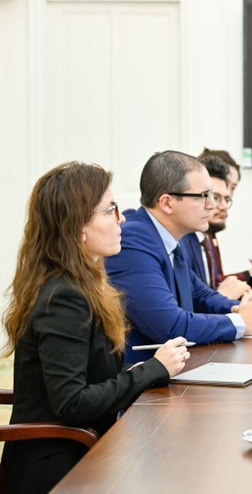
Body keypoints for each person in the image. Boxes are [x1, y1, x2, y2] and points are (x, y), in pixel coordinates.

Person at [1, 162, 191, 493]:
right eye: (110, 211)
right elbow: (73, 404)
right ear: (78, 227)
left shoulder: (80, 285)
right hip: (60, 469)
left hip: (87, 449)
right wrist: (152, 369)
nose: (121, 220)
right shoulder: (63, 298)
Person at [105, 151, 252, 364]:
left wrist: (244, 305)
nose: (213, 205)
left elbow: (199, 295)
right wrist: (243, 321)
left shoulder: (171, 237)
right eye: (203, 196)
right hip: (144, 386)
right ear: (167, 203)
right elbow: (169, 326)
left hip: (179, 369)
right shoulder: (134, 241)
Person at [179, 154, 252, 299]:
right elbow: (191, 306)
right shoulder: (183, 241)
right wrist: (225, 295)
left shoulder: (206, 237)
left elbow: (211, 286)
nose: (223, 206)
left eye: (227, 198)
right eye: (214, 197)